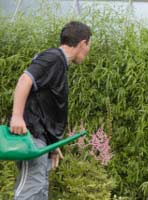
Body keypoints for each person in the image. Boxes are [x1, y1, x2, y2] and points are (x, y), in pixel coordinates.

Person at [9, 21, 92, 200]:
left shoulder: (59, 64)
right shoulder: (53, 57)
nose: (88, 51)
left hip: (41, 141)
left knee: (39, 190)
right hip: (30, 136)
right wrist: (16, 116)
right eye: (89, 46)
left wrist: (53, 144)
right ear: (83, 43)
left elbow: (45, 107)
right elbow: (25, 80)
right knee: (29, 191)